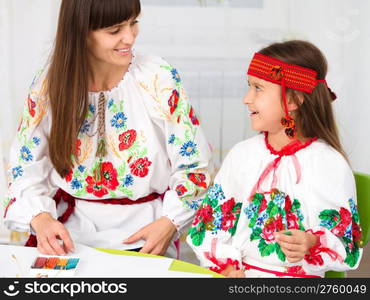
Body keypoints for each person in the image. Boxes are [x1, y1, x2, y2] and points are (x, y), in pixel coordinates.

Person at [3, 0, 213, 259]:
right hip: (68, 235)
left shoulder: (157, 78)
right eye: (114, 30)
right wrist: (41, 218)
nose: (129, 37)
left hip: (146, 232)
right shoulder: (49, 85)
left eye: (133, 23)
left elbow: (194, 165)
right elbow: (24, 165)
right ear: (80, 32)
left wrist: (170, 222)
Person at [186, 40, 363, 277]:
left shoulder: (328, 164)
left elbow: (348, 245)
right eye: (249, 87)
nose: (246, 98)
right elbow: (209, 227)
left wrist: (311, 242)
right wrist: (227, 266)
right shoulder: (242, 155)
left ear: (293, 100)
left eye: (258, 88)